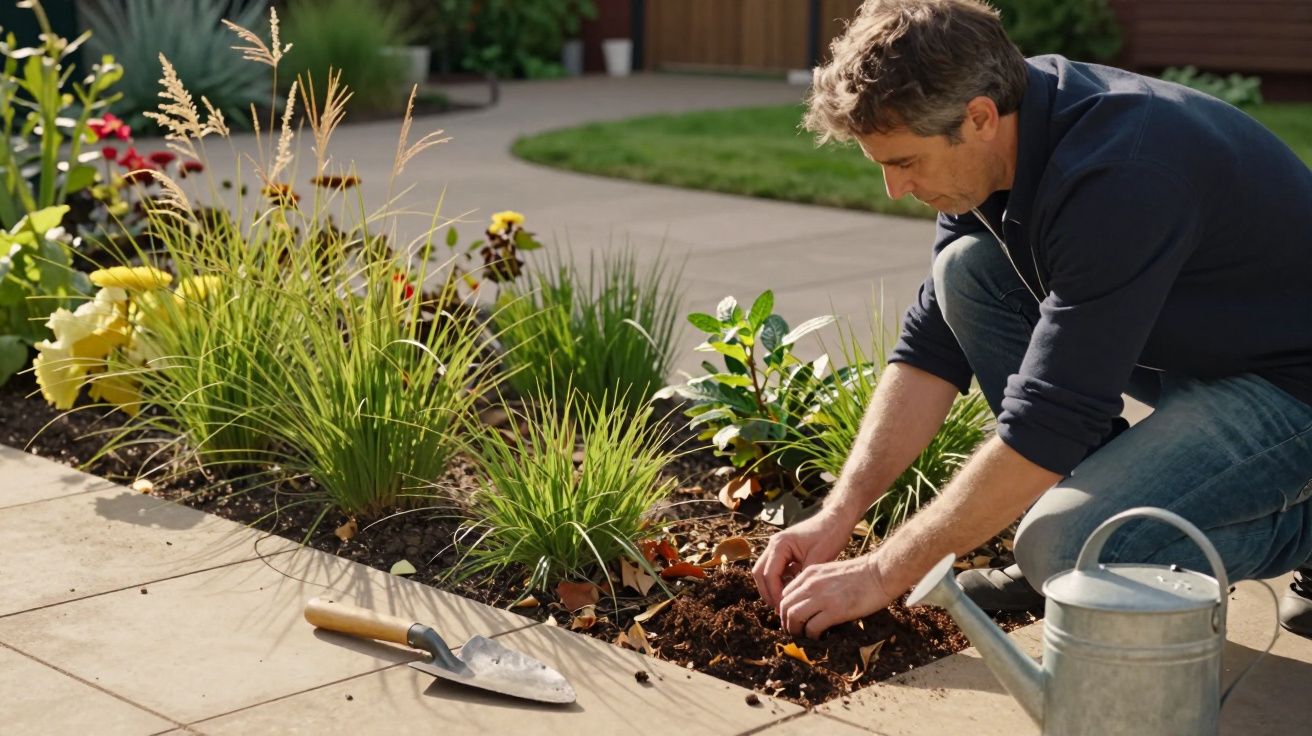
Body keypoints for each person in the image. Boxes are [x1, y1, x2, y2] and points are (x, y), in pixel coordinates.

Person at [752, 0, 1312, 640]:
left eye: (904, 162)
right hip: (1198, 345)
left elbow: (1051, 416)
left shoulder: (1121, 175)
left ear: (980, 118)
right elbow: (933, 344)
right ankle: (1091, 527)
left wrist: (883, 572)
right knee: (964, 269)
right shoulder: (997, 135)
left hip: (1288, 380)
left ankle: (1108, 548)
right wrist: (838, 513)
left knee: (1068, 553)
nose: (893, 189)